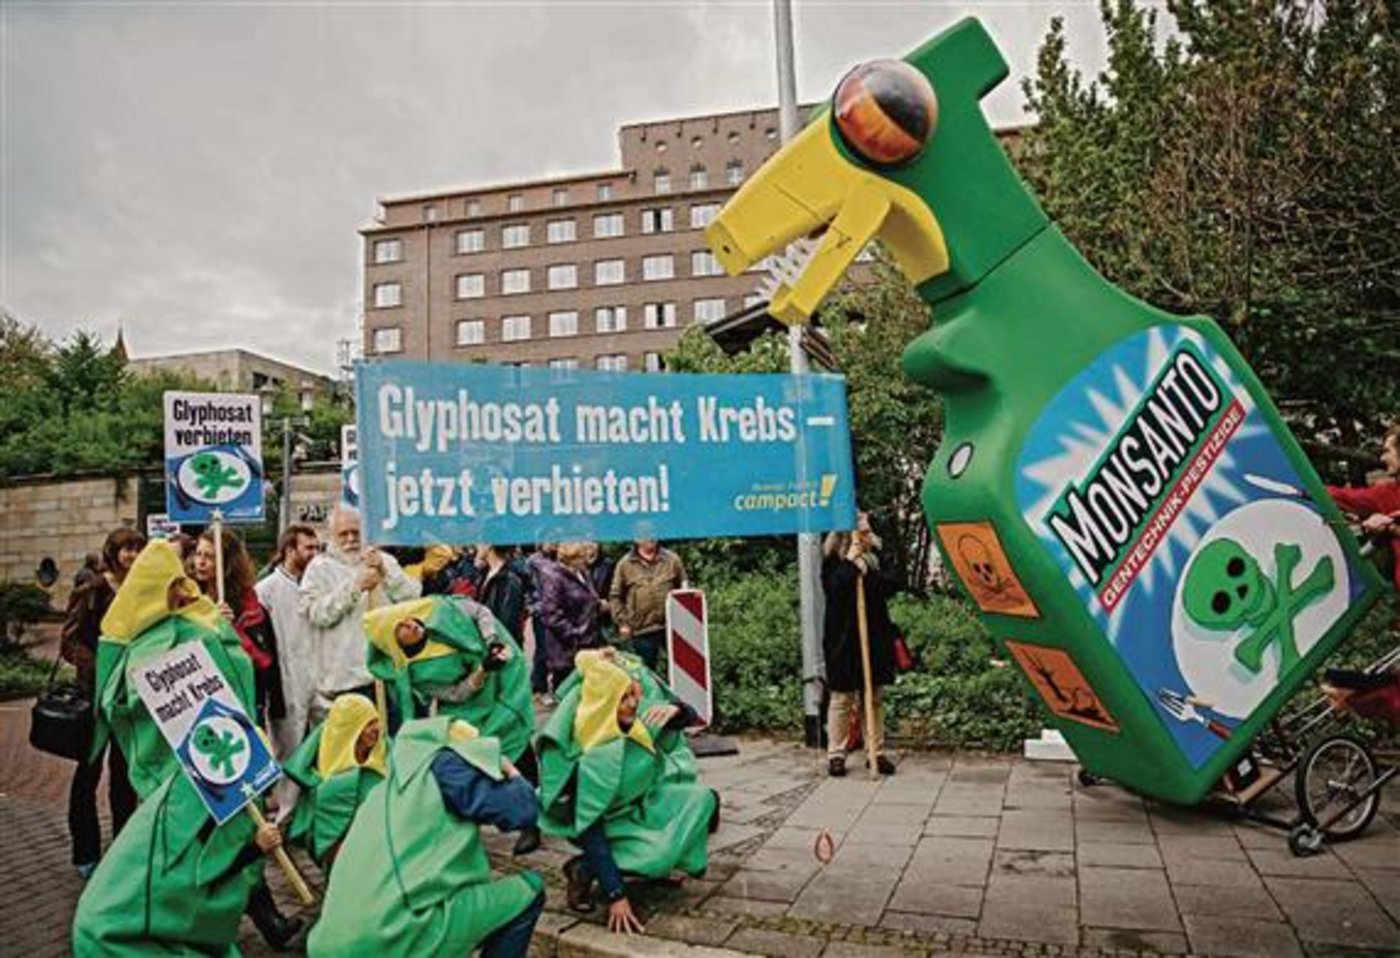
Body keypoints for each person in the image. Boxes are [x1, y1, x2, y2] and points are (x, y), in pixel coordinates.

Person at [74, 539, 288, 955]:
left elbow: (239, 666)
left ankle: (225, 922)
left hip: (220, 759)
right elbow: (117, 698)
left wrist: (222, 632)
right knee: (192, 855)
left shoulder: (202, 620)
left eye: (182, 579)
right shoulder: (139, 640)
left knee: (229, 842)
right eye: (173, 582)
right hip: (180, 776)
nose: (183, 588)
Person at [307, 716, 545, 957]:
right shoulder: (446, 765)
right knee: (529, 891)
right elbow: (521, 810)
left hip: (329, 941)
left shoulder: (383, 788)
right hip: (391, 934)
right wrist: (512, 773)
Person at [538, 648, 717, 933]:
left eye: (635, 694)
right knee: (659, 855)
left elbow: (687, 718)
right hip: (608, 826)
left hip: (641, 805)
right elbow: (591, 829)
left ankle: (647, 865)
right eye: (626, 698)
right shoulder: (590, 759)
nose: (635, 703)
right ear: (604, 704)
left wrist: (678, 710)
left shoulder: (634, 721)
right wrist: (615, 894)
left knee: (702, 799)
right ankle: (584, 869)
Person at [365, 595, 541, 855]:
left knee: (514, 734)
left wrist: (491, 643)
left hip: (501, 673)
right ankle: (479, 816)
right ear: (396, 643)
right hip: (470, 694)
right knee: (471, 749)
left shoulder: (441, 611)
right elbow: (457, 693)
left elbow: (480, 611)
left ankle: (532, 819)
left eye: (409, 619)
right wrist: (481, 670)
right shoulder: (415, 673)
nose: (411, 624)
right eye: (401, 628)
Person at [59, 527, 142, 878]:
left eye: (138, 549)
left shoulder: (140, 589)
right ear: (113, 551)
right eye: (127, 549)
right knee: (87, 776)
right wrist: (99, 667)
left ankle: (122, 847)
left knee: (125, 777)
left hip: (126, 699)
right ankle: (85, 852)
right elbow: (69, 640)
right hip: (95, 697)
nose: (133, 555)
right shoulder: (92, 588)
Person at [300, 505, 420, 718]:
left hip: (387, 675)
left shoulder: (383, 561)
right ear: (331, 535)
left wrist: (385, 573)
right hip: (345, 681)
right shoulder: (319, 569)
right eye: (343, 534)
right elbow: (317, 614)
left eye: (356, 532)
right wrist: (355, 588)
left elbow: (413, 599)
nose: (350, 539)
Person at [822, 516, 898, 777]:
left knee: (874, 696)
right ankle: (836, 754)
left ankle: (875, 752)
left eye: (866, 527)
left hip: (874, 635)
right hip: (843, 639)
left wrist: (869, 563)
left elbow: (891, 585)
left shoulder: (877, 558)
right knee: (842, 697)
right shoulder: (833, 560)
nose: (864, 530)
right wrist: (851, 564)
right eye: (859, 526)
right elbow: (835, 588)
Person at [256, 523, 322, 815]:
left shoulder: (318, 582)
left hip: (320, 675)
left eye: (317, 547)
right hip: (286, 679)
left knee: (325, 742)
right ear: (289, 550)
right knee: (289, 750)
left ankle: (318, 809)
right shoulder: (266, 590)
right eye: (308, 547)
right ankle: (287, 813)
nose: (314, 553)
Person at [192, 527, 285, 731]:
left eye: (210, 556)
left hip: (244, 696)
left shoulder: (249, 605)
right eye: (198, 554)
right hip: (201, 697)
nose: (200, 562)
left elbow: (265, 659)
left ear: (227, 563)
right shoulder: (186, 598)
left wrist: (231, 629)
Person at [282, 694, 385, 870]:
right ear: (351, 727)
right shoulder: (331, 785)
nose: (377, 728)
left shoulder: (384, 753)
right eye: (368, 723)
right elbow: (294, 768)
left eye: (376, 721)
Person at [1328, 423, 1400, 590]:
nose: (1382, 458)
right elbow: (1342, 496)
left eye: (1387, 451)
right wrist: (1305, 488)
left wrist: (1391, 526)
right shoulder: (1385, 494)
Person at [609, 538, 686, 672]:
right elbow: (615, 596)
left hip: (672, 626)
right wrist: (623, 622)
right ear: (636, 539)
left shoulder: (672, 559)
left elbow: (684, 588)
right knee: (647, 672)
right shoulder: (625, 564)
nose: (651, 538)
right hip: (642, 629)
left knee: (683, 668)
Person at [538, 541, 603, 692]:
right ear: (570, 559)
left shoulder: (583, 573)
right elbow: (550, 615)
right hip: (566, 651)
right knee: (568, 696)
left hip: (588, 644)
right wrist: (577, 635)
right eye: (581, 556)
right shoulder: (554, 578)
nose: (586, 559)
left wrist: (598, 605)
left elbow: (587, 599)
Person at [476, 542, 528, 644]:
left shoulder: (510, 580)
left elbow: (505, 626)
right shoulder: (484, 574)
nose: (477, 545)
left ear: (489, 545)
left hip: (499, 648)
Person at [525, 543, 557, 695]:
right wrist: (534, 606)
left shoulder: (558, 559)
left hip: (556, 611)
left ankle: (543, 685)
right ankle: (539, 686)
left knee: (553, 649)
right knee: (543, 649)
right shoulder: (534, 562)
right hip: (541, 611)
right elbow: (529, 587)